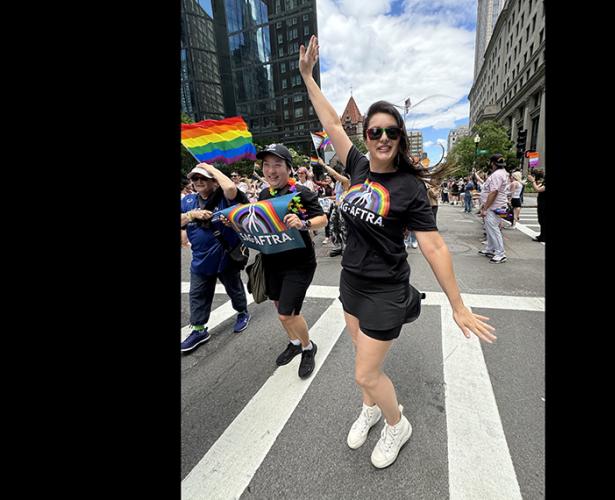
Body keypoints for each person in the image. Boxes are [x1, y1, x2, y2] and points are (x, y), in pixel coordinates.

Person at [300, 35, 496, 468]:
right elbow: (332, 122)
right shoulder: (356, 165)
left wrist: (459, 304)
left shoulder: (409, 187)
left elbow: (434, 245)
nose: (383, 137)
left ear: (399, 137)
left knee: (365, 372)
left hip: (387, 290)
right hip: (351, 282)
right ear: (366, 136)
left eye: (391, 131)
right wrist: (308, 77)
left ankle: (396, 424)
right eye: (375, 131)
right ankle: (371, 408)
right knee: (360, 357)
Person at [256, 143, 329, 379]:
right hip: (272, 261)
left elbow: (323, 219)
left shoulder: (302, 192)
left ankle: (308, 347)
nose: (271, 170)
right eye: (266, 165)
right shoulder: (264, 194)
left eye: (277, 164)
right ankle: (294, 342)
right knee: (279, 306)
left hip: (299, 263)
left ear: (289, 168)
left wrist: (304, 223)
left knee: (287, 314)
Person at [180, 163, 251, 352]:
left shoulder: (224, 197)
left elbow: (229, 187)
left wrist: (208, 166)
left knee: (234, 288)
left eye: (203, 177)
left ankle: (242, 312)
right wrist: (191, 215)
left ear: (214, 180)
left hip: (225, 256)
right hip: (200, 260)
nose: (198, 181)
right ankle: (198, 330)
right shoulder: (187, 201)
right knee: (197, 295)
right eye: (195, 178)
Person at [478, 154, 509, 263]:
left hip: (494, 207)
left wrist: (485, 208)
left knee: (493, 229)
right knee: (490, 228)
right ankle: (491, 249)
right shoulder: (502, 173)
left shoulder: (497, 175)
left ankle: (500, 253)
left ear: (492, 163)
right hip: (496, 206)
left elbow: (494, 192)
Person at [527, 169, 546, 242]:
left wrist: (533, 181)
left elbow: (538, 189)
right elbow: (538, 186)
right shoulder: (544, 182)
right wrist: (534, 181)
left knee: (543, 220)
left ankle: (543, 237)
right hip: (541, 204)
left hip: (544, 205)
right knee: (541, 220)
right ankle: (542, 235)